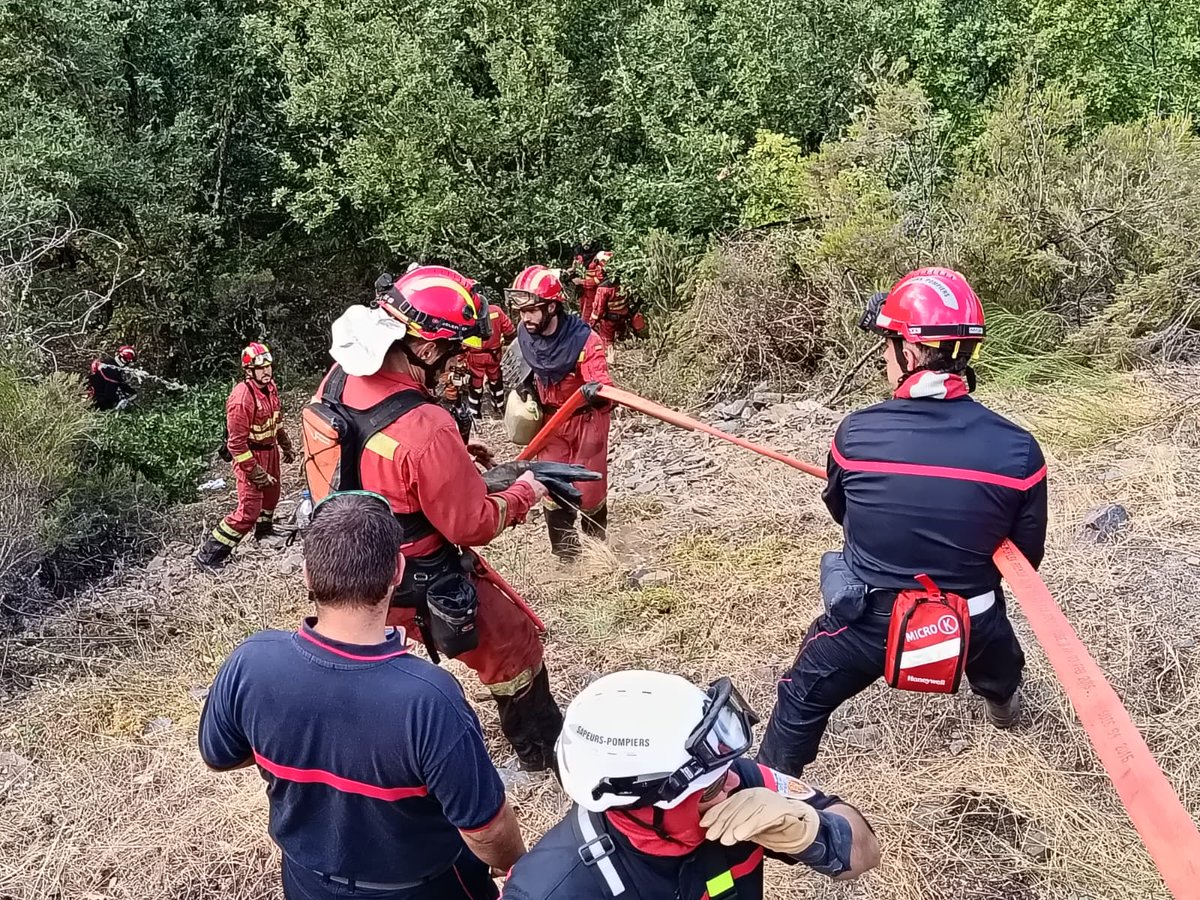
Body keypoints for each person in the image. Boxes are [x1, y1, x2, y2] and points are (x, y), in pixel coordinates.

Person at [756, 267, 1048, 777]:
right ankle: (1002, 703)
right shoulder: (1020, 451)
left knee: (799, 698)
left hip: (870, 621)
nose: (885, 361)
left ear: (909, 354)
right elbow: (1025, 558)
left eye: (889, 346)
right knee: (997, 652)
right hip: (972, 617)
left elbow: (842, 514)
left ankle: (770, 798)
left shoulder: (855, 436)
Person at [199, 492, 526, 900]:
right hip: (423, 888)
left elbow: (220, 755)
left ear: (307, 574)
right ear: (397, 571)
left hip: (305, 882)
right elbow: (487, 830)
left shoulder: (251, 662)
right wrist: (516, 867)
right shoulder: (428, 699)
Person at [318, 265, 564, 772]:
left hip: (346, 559)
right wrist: (523, 491)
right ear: (427, 349)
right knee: (510, 641)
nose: (455, 365)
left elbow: (365, 448)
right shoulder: (425, 425)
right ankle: (541, 752)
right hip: (417, 573)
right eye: (452, 353)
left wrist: (449, 460)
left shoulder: (339, 376)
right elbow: (469, 525)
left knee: (373, 671)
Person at [499, 670, 879, 899]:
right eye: (710, 789)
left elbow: (865, 854)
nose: (733, 784)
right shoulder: (553, 889)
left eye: (726, 771)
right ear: (643, 806)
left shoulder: (738, 785)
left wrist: (813, 832)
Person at [507, 265, 612, 560]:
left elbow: (604, 388)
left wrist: (596, 391)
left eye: (531, 310)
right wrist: (526, 389)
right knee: (551, 484)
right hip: (551, 422)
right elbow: (523, 366)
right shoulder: (526, 334)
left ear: (552, 306)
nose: (525, 317)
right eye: (521, 311)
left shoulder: (584, 341)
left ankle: (598, 553)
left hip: (586, 420)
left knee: (588, 487)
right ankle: (566, 556)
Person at [196, 342, 296, 569]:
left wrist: (285, 444)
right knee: (247, 512)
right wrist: (255, 472)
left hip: (270, 451)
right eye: (261, 368)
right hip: (250, 456)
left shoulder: (270, 388)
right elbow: (236, 445)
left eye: (269, 366)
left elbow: (275, 421)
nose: (267, 371)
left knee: (272, 496)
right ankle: (210, 555)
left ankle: (265, 531)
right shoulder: (242, 399)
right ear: (249, 371)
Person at [466, 298, 517, 420]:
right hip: (494, 355)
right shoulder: (496, 311)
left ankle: (475, 414)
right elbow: (510, 331)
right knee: (495, 380)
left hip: (475, 357)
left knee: (476, 384)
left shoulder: (466, 316)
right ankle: (499, 407)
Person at [86, 344, 138, 410]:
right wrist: (119, 399)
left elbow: (119, 382)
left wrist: (132, 392)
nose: (126, 363)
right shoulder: (110, 369)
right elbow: (110, 392)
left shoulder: (110, 365)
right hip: (96, 403)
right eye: (125, 360)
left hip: (93, 399)